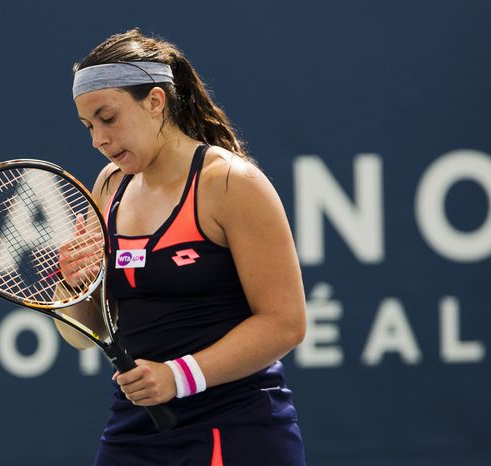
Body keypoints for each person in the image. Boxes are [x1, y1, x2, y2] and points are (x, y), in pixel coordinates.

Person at [59, 29, 307, 466]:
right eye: (88, 125)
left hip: (234, 427)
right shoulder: (109, 185)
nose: (98, 138)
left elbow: (285, 324)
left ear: (156, 102)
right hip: (134, 428)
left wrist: (178, 376)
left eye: (108, 117)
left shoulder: (231, 183)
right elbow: (88, 334)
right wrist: (75, 286)